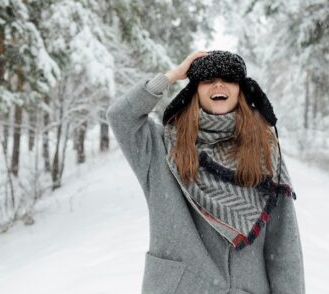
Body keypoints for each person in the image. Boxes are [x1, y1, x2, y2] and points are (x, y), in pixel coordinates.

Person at [106, 50, 305, 294]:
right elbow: (121, 118)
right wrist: (172, 76)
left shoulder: (265, 151)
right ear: (195, 90)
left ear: (241, 90)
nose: (218, 84)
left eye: (229, 79)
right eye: (208, 79)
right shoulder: (163, 147)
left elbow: (284, 246)